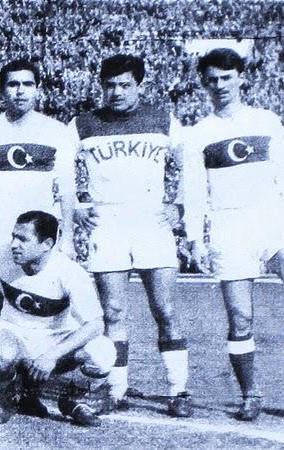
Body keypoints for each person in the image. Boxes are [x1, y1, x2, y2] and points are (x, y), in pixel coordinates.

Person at [184, 48, 284, 421]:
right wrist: (195, 238)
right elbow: (193, 190)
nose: (219, 85)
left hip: (273, 218)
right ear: (204, 84)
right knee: (240, 318)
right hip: (229, 227)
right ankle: (251, 394)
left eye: (226, 77)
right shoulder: (199, 133)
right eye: (212, 80)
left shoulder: (266, 120)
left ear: (241, 78)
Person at [71, 54, 191, 417]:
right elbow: (59, 171)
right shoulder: (83, 124)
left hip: (151, 221)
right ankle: (117, 389)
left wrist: (180, 205)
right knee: (113, 311)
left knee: (164, 309)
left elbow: (192, 164)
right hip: (107, 222)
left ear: (139, 85)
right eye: (110, 85)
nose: (117, 92)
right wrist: (76, 206)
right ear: (101, 87)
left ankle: (178, 390)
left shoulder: (163, 120)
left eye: (125, 85)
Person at [0, 59, 77, 318]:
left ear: (37, 89)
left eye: (28, 84)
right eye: (13, 84)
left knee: (48, 304)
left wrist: (68, 237)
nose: (20, 91)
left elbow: (67, 188)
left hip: (41, 232)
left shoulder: (56, 131)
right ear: (1, 91)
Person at [0, 211, 114, 427]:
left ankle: (74, 397)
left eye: (23, 239)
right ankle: (15, 390)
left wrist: (52, 355)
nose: (14, 244)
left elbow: (96, 324)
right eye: (13, 237)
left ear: (47, 244)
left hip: (55, 339)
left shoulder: (70, 272)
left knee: (103, 351)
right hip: (14, 332)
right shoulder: (0, 255)